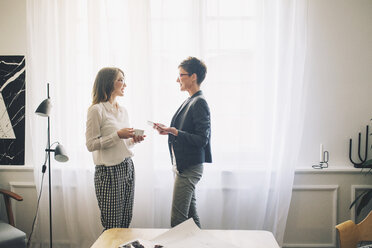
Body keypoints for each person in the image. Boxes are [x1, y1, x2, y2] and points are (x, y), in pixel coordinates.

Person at [154, 57, 212, 228]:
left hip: (189, 168)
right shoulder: (190, 100)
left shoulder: (199, 102)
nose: (177, 79)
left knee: (178, 220)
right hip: (183, 166)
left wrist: (175, 132)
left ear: (193, 76)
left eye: (181, 75)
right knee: (191, 217)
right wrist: (169, 131)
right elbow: (185, 133)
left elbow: (202, 139)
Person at [85, 67, 145, 230]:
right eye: (121, 79)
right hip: (108, 171)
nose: (124, 84)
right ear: (108, 83)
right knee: (112, 226)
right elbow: (91, 144)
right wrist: (118, 135)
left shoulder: (123, 111)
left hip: (127, 166)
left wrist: (133, 140)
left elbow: (122, 144)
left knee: (125, 223)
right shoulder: (96, 110)